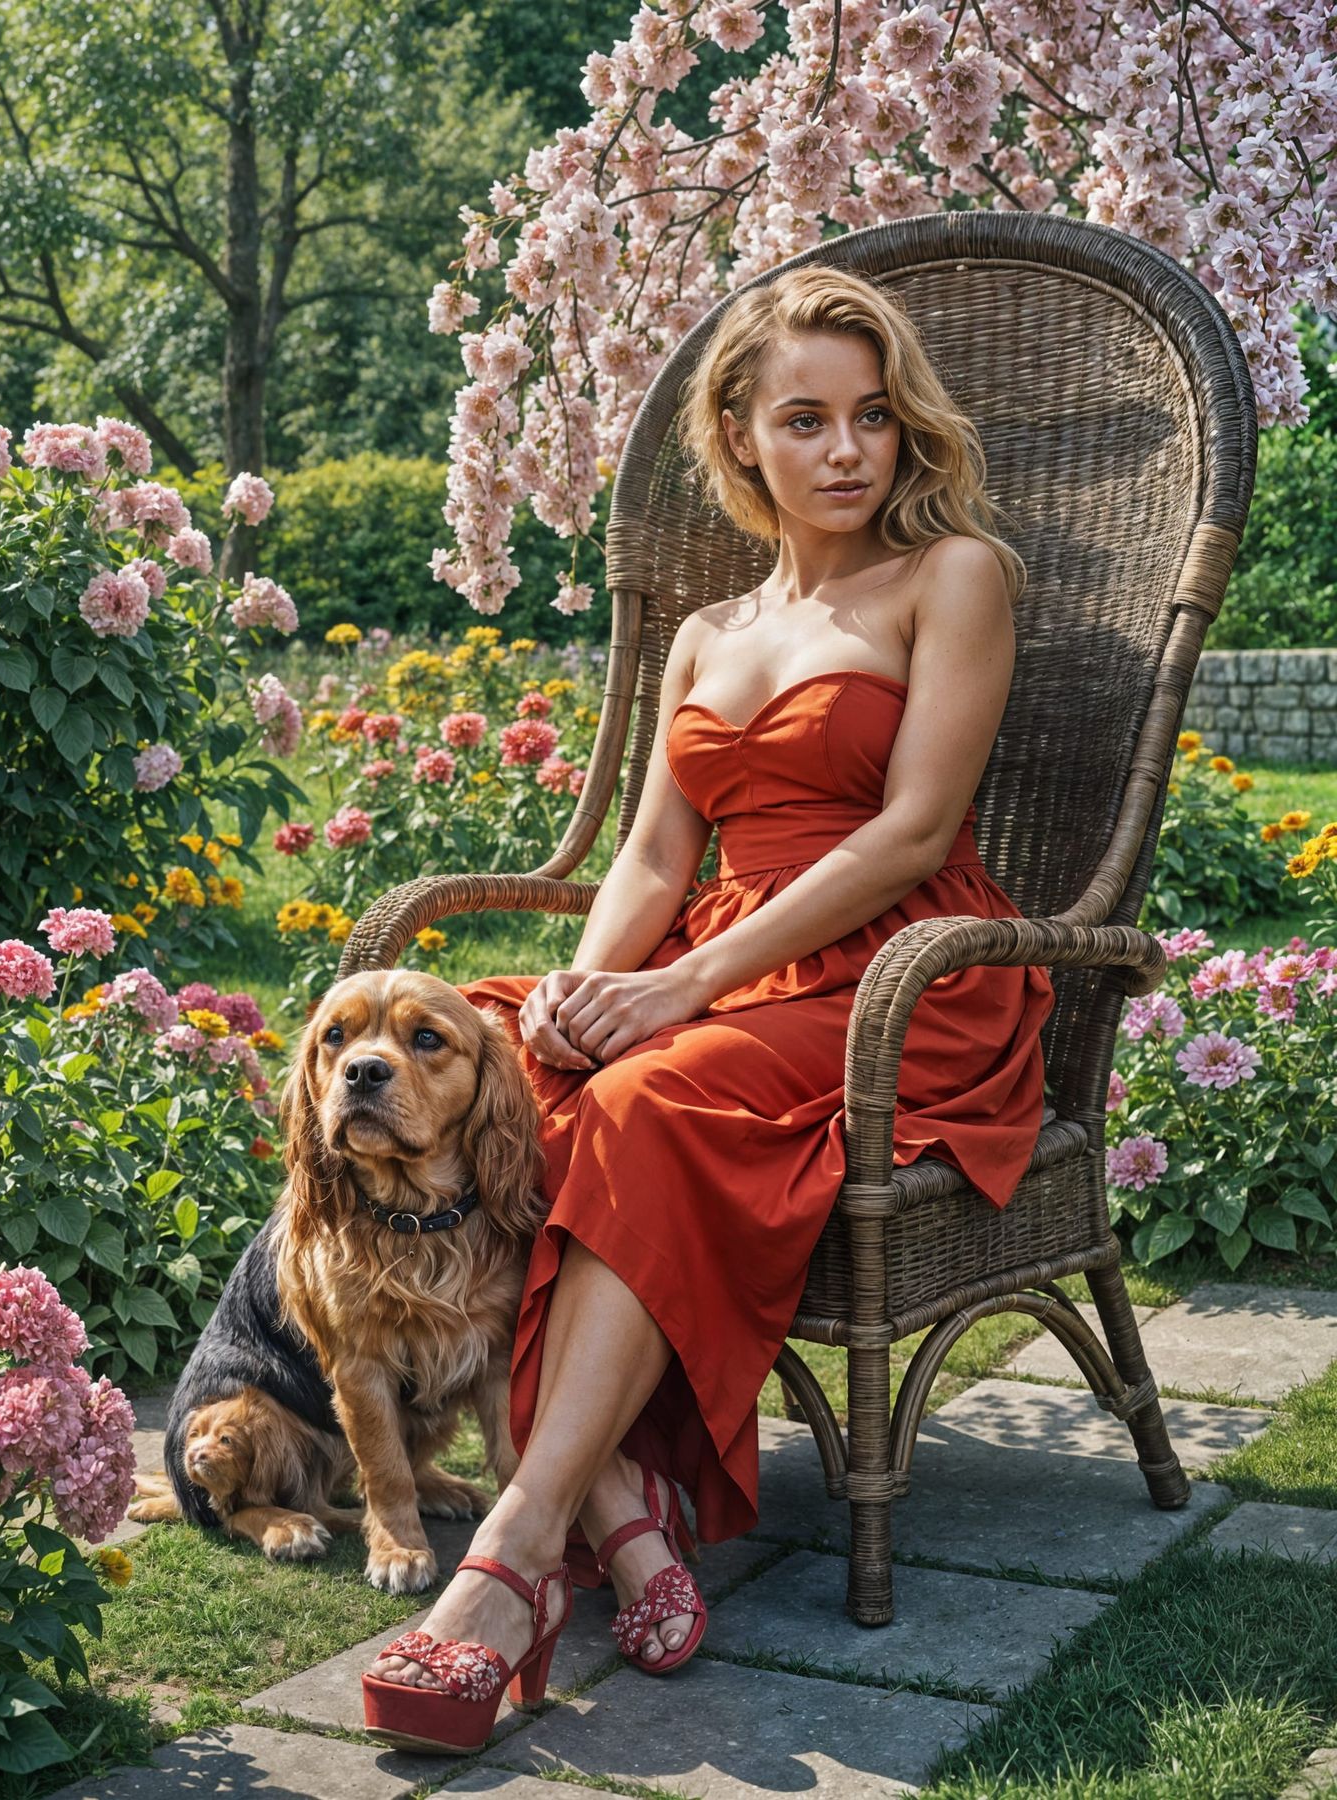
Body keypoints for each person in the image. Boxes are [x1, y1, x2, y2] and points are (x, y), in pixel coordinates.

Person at [360, 264, 1058, 1749]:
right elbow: (658, 853)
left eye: (873, 416)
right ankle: (624, 1503)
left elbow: (911, 836)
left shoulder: (953, 577)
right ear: (740, 436)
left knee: (645, 1093)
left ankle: (517, 1551)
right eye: (804, 419)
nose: (848, 450)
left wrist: (677, 989)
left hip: (901, 972)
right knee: (475, 1067)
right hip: (736, 960)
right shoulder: (707, 629)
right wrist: (587, 986)